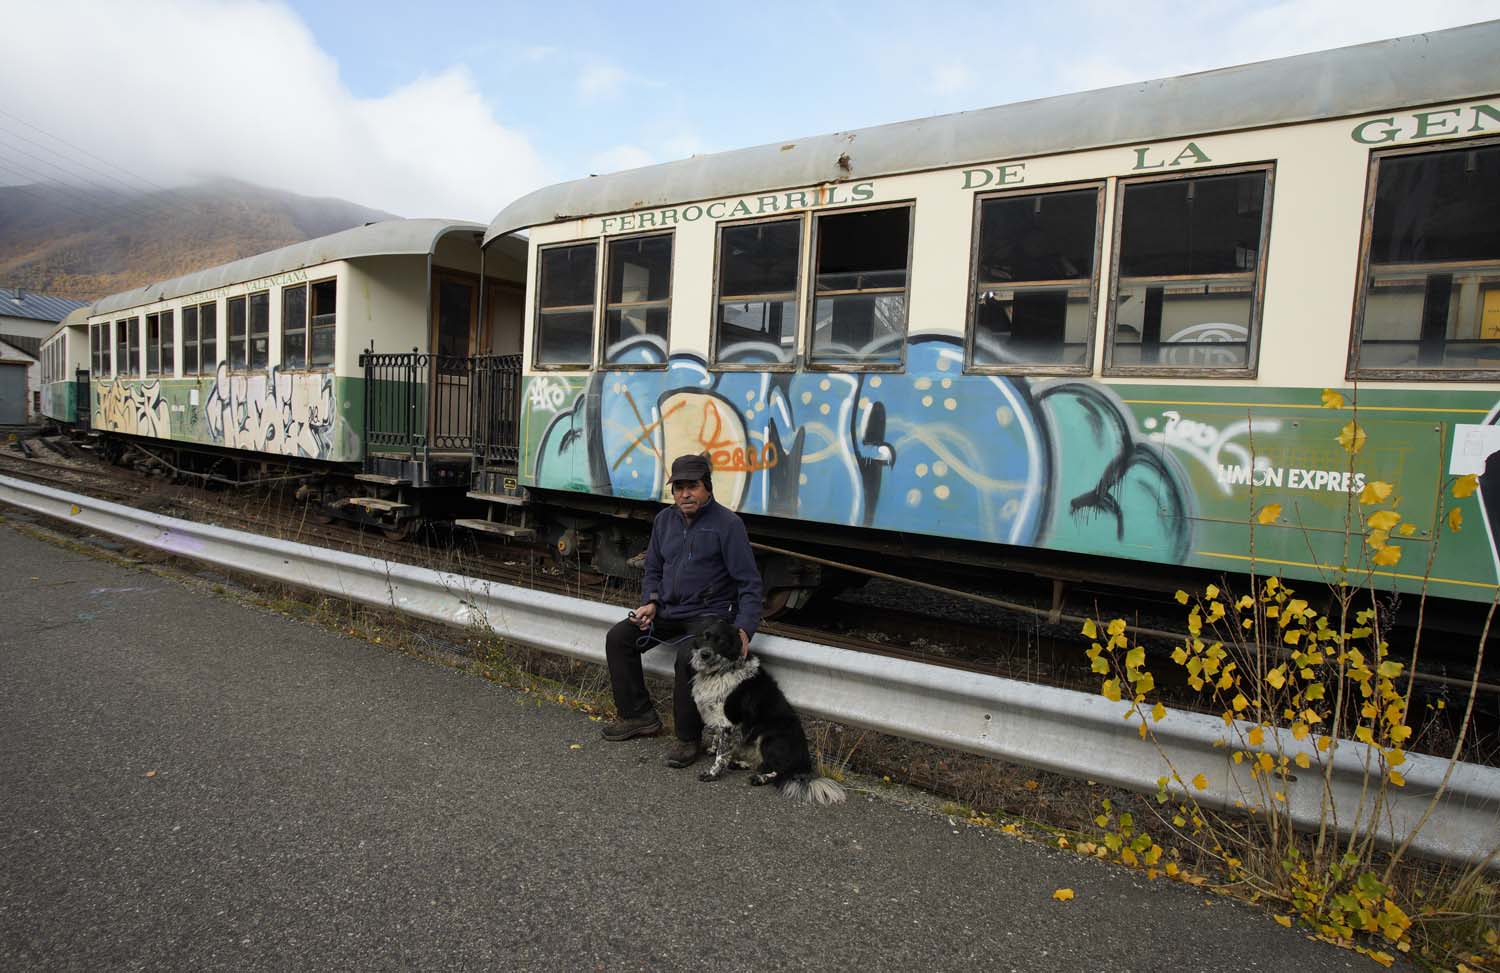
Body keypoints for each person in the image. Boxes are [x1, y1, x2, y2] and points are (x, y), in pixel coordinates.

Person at [600, 453, 764, 769]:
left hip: (710, 615)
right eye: (678, 488)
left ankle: (688, 738)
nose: (684, 494)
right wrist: (651, 601)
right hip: (668, 611)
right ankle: (639, 716)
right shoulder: (664, 521)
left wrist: (744, 628)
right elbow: (653, 569)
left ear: (708, 488)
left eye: (692, 487)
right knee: (619, 637)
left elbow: (750, 584)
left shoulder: (728, 525)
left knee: (686, 657)